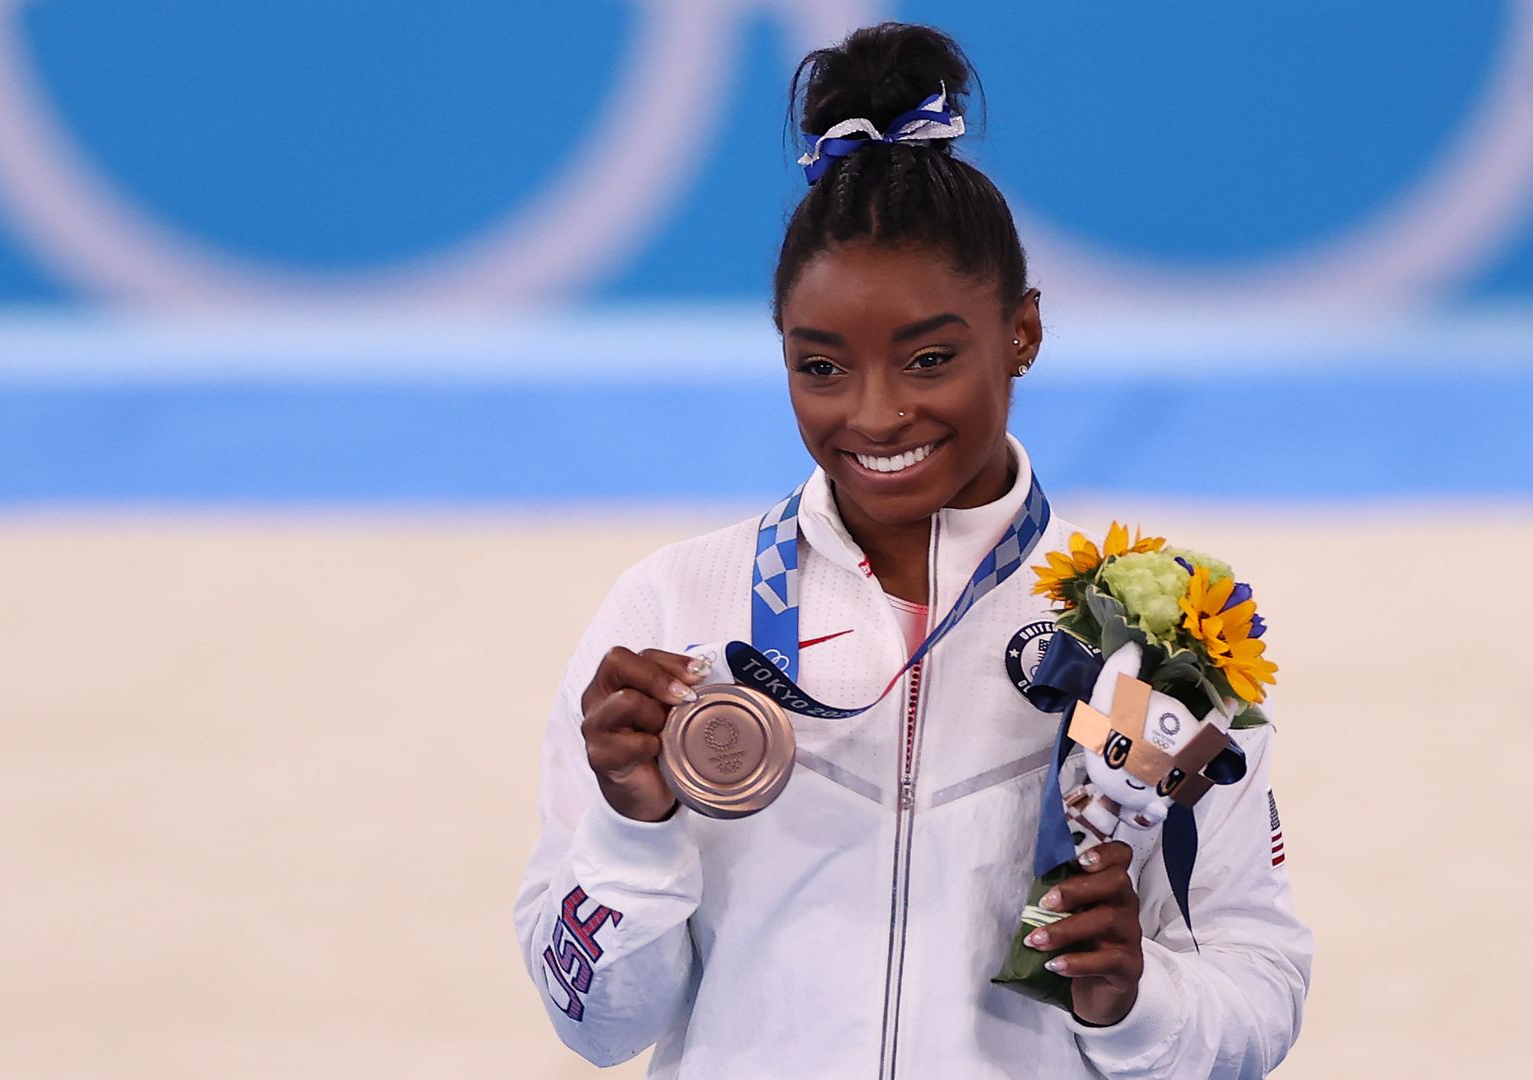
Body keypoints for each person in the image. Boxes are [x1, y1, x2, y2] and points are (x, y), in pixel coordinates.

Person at [512, 21, 1313, 1078]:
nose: (877, 416)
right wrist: (633, 831)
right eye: (823, 367)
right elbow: (596, 1027)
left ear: (1021, 332)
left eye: (930, 357)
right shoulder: (673, 605)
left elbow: (1260, 985)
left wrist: (1136, 1002)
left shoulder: (1157, 632)